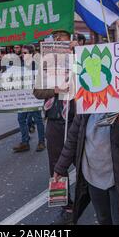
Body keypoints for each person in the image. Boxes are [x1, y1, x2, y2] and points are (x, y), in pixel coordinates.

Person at [53, 108, 119, 225]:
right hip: (92, 177)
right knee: (103, 218)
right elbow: (72, 139)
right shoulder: (85, 108)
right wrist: (60, 168)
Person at [34, 29, 77, 225]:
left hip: (77, 120)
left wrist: (78, 56)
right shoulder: (46, 66)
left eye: (63, 40)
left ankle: (91, 196)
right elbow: (37, 91)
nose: (59, 42)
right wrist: (55, 90)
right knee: (56, 165)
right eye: (56, 40)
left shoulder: (79, 60)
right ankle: (65, 205)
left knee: (83, 160)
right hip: (54, 120)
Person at [13, 45, 46, 153]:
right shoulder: (20, 64)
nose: (23, 55)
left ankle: (41, 142)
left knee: (38, 119)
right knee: (21, 119)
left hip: (34, 97)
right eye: (22, 53)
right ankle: (25, 142)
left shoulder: (36, 65)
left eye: (25, 53)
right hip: (22, 98)